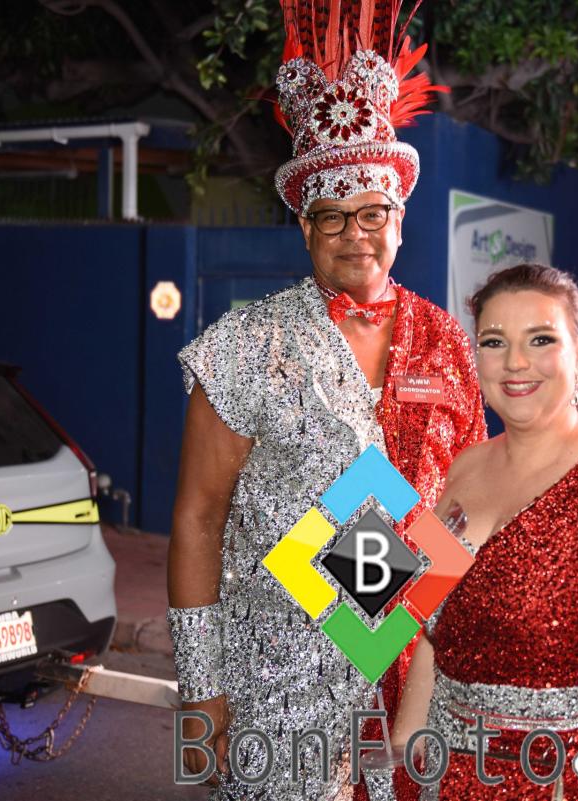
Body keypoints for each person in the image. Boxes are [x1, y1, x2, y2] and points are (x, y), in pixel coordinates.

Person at [167, 3, 486, 798]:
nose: (355, 233)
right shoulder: (245, 345)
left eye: (372, 212)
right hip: (275, 684)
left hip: (415, 681)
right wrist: (201, 692)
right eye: (332, 216)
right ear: (304, 228)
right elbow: (198, 518)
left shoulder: (448, 342)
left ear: (400, 219)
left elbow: (474, 505)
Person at [380, 264, 578, 801]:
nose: (515, 362)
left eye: (540, 339)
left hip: (576, 781)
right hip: (451, 777)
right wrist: (402, 757)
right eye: (494, 342)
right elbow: (435, 635)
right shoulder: (463, 471)